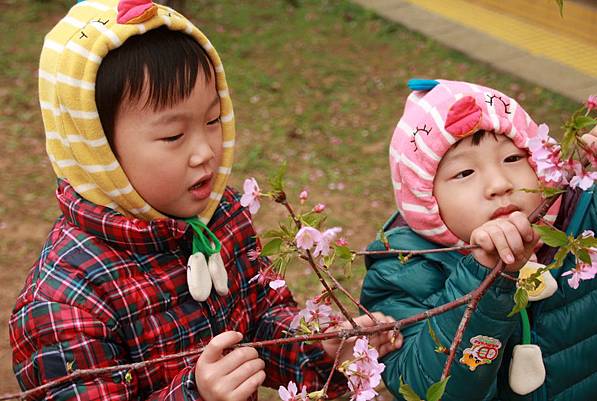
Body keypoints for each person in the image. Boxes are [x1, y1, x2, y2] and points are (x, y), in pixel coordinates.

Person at [9, 1, 401, 400]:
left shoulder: (223, 217)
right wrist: (195, 394)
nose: (205, 152)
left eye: (213, 121)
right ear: (96, 148)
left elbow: (262, 319)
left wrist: (322, 347)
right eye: (173, 136)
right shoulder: (64, 304)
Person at [360, 79, 597, 400]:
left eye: (513, 159)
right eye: (464, 173)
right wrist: (486, 273)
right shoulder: (404, 270)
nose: (499, 184)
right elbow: (430, 389)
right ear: (426, 199)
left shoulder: (586, 212)